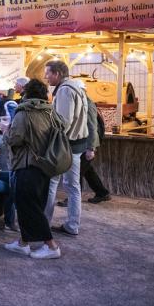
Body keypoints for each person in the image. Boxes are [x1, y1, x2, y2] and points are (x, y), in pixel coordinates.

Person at [2, 78, 61, 259]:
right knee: (33, 204)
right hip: (46, 164)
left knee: (29, 206)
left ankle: (51, 246)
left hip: (27, 165)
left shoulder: (24, 112)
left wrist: (5, 131)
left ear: (27, 93)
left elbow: (15, 139)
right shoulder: (50, 111)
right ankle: (23, 243)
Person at [44, 60, 88, 237]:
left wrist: (49, 138)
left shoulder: (64, 90)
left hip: (64, 146)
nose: (46, 77)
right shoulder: (77, 88)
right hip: (77, 145)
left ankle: (44, 222)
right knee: (73, 186)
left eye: (48, 73)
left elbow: (63, 122)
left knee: (51, 183)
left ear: (57, 74)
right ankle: (72, 225)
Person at [59, 80, 110, 206]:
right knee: (87, 171)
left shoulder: (88, 104)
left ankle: (73, 199)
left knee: (78, 173)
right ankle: (102, 193)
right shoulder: (82, 102)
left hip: (86, 144)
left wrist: (91, 148)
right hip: (83, 143)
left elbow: (92, 126)